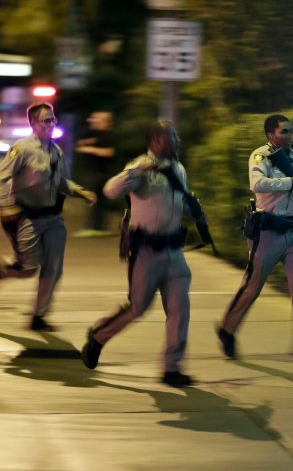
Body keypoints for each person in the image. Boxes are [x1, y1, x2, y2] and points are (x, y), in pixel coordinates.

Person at [80, 120, 198, 387]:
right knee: (138, 307)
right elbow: (110, 190)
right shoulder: (141, 168)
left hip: (173, 251)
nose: (177, 140)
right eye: (172, 136)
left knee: (180, 309)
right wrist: (136, 170)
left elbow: (177, 202)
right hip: (146, 251)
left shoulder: (178, 168)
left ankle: (172, 368)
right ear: (156, 140)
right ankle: (98, 337)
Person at [216, 114, 293, 359]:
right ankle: (227, 329)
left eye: (290, 131)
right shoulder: (260, 156)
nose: (289, 135)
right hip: (267, 234)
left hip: (292, 233)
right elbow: (257, 184)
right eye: (283, 131)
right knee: (252, 287)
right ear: (270, 135)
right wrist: (289, 182)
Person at [0, 102, 97, 331]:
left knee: (54, 268)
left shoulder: (56, 151)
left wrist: (80, 191)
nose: (51, 124)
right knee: (28, 268)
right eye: (46, 120)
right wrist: (6, 206)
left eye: (53, 119)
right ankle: (0, 272)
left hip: (53, 217)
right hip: (28, 218)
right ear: (33, 123)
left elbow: (61, 181)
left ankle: (38, 316)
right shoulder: (22, 149)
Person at [73, 111, 115, 236]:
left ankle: (98, 227)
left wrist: (88, 149)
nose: (94, 122)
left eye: (97, 120)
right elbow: (85, 143)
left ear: (105, 122)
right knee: (94, 200)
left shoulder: (107, 135)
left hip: (102, 173)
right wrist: (84, 144)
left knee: (98, 201)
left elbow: (108, 152)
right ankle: (96, 226)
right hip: (94, 172)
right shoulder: (96, 135)